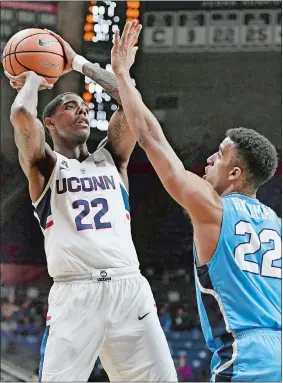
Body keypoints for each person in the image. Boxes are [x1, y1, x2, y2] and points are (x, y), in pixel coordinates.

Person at [111, 20, 282, 382]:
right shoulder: (276, 223)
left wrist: (124, 77)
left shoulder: (212, 206)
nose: (209, 160)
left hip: (246, 356)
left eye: (219, 156)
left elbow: (151, 139)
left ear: (235, 174)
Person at [4, 30, 177, 382]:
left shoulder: (114, 158)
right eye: (71, 106)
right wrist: (34, 77)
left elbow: (130, 101)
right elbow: (22, 113)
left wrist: (79, 63)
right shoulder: (45, 166)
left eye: (84, 108)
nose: (82, 112)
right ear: (49, 122)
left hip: (128, 287)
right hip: (74, 293)